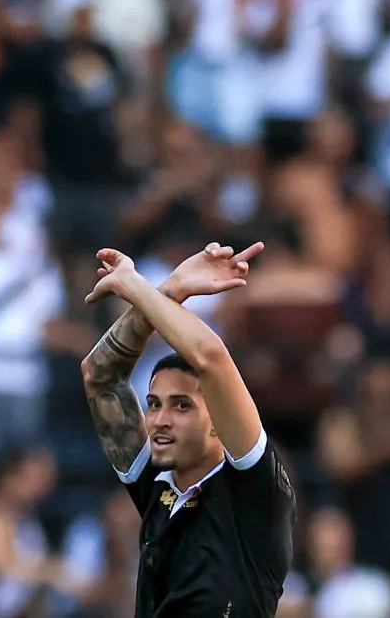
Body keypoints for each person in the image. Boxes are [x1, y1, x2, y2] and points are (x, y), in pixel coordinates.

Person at [79, 241, 296, 618]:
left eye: (182, 405)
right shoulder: (156, 484)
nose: (160, 419)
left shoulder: (253, 490)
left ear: (220, 420)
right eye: (154, 404)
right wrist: (171, 289)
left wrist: (137, 287)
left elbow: (211, 358)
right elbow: (100, 375)